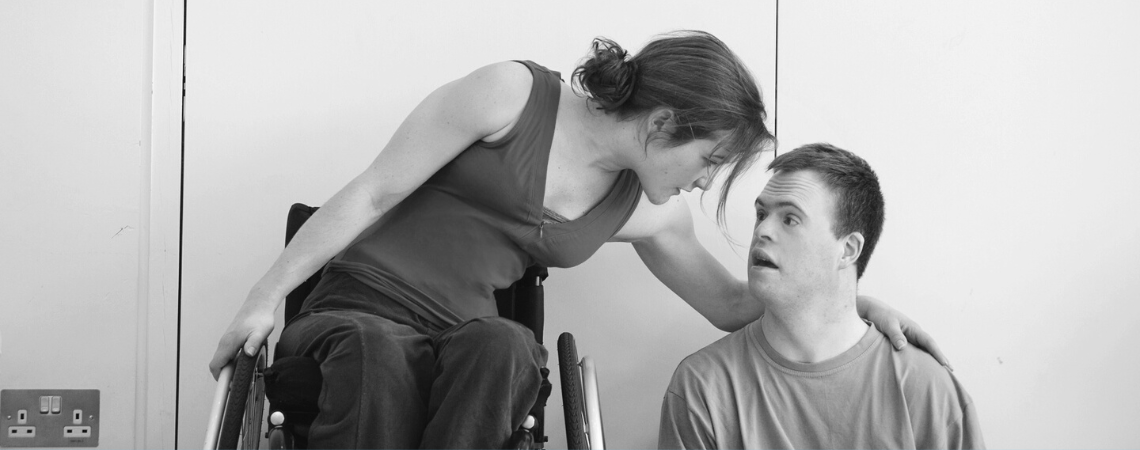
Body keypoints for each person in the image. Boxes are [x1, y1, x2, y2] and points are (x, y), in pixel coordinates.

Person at [209, 31, 947, 448]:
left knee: (508, 349)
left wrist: (855, 304)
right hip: (356, 311)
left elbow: (729, 304)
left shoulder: (643, 210)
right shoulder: (509, 94)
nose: (702, 184)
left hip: (458, 331)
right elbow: (375, 189)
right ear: (663, 127)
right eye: (708, 163)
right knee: (376, 353)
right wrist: (263, 297)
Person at [659, 143, 983, 449]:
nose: (762, 231)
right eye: (761, 214)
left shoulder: (927, 390)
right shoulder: (702, 388)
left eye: (790, 219)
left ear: (848, 249)